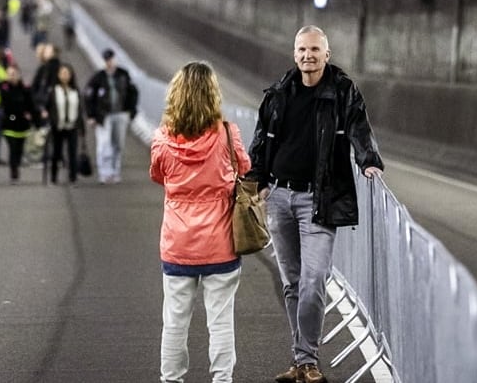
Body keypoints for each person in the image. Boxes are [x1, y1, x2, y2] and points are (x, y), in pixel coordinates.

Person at [244, 25, 384, 383]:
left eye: (315, 50)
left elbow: (358, 126)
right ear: (295, 54)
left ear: (327, 55)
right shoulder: (279, 93)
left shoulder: (341, 91)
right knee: (292, 282)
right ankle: (304, 362)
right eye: (302, 49)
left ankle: (306, 359)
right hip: (278, 197)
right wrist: (255, 179)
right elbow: (261, 140)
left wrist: (368, 159)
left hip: (318, 199)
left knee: (313, 280)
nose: (308, 55)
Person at [150, 61, 250, 383]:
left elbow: (158, 175)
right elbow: (244, 168)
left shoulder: (162, 140)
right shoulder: (227, 134)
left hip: (178, 244)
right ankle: (222, 380)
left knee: (175, 322)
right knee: (220, 322)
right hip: (221, 243)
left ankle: (171, 379)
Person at [84, 48, 139, 184]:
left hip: (120, 113)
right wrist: (91, 115)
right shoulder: (98, 78)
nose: (109, 62)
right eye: (107, 60)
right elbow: (88, 96)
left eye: (110, 59)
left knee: (118, 144)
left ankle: (115, 171)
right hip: (103, 116)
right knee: (104, 144)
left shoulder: (123, 75)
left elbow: (133, 93)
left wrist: (132, 110)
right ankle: (104, 172)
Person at [45, 63, 85, 185]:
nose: (65, 76)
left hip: (71, 126)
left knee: (72, 153)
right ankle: (53, 177)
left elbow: (79, 109)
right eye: (62, 73)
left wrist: (81, 128)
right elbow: (48, 106)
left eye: (67, 73)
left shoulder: (75, 91)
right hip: (58, 126)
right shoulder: (53, 90)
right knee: (56, 153)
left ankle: (73, 177)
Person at [0, 64, 36, 183]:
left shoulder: (25, 89)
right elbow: (7, 105)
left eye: (13, 74)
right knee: (12, 148)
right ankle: (13, 172)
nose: (11, 76)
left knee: (19, 149)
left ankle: (17, 164)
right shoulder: (4, 89)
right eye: (9, 74)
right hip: (9, 122)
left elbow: (30, 105)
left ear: (18, 75)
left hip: (22, 124)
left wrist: (32, 116)